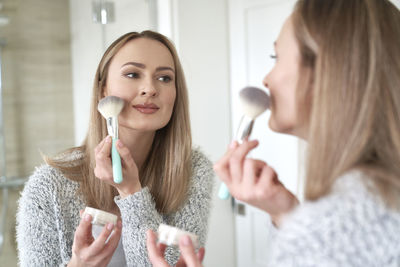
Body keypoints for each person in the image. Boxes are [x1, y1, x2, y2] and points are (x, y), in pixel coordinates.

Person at [147, 0, 400, 266]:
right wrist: (287, 214)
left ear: (327, 71)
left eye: (276, 58)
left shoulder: (338, 221)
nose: (266, 79)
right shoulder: (373, 198)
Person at [16, 30, 214, 266]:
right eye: (132, 74)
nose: (150, 88)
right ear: (103, 90)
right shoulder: (49, 186)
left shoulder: (192, 171)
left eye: (164, 78)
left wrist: (131, 193)